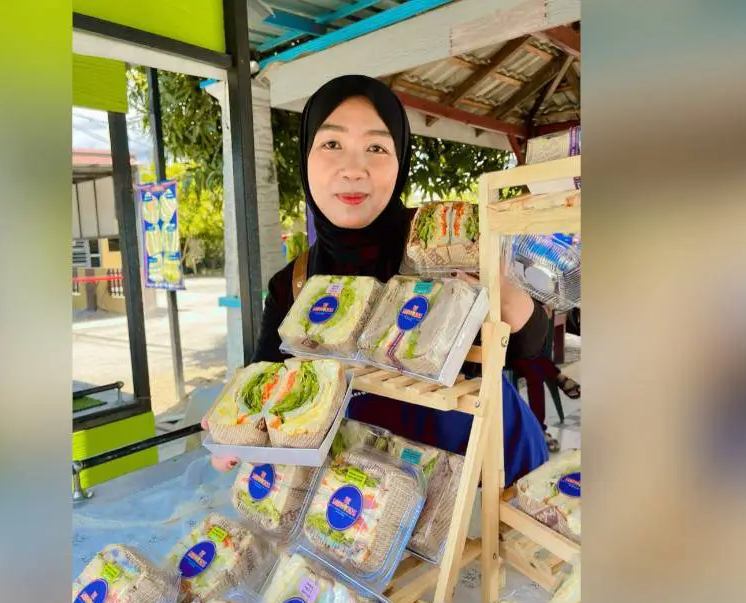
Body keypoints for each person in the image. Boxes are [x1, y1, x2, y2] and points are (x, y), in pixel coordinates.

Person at [213, 75, 551, 486]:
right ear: (306, 156)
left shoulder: (444, 244)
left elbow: (530, 348)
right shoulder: (294, 283)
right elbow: (266, 378)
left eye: (376, 147)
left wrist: (500, 284)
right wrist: (235, 429)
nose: (353, 170)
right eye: (332, 144)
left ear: (401, 159)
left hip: (490, 483)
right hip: (373, 504)